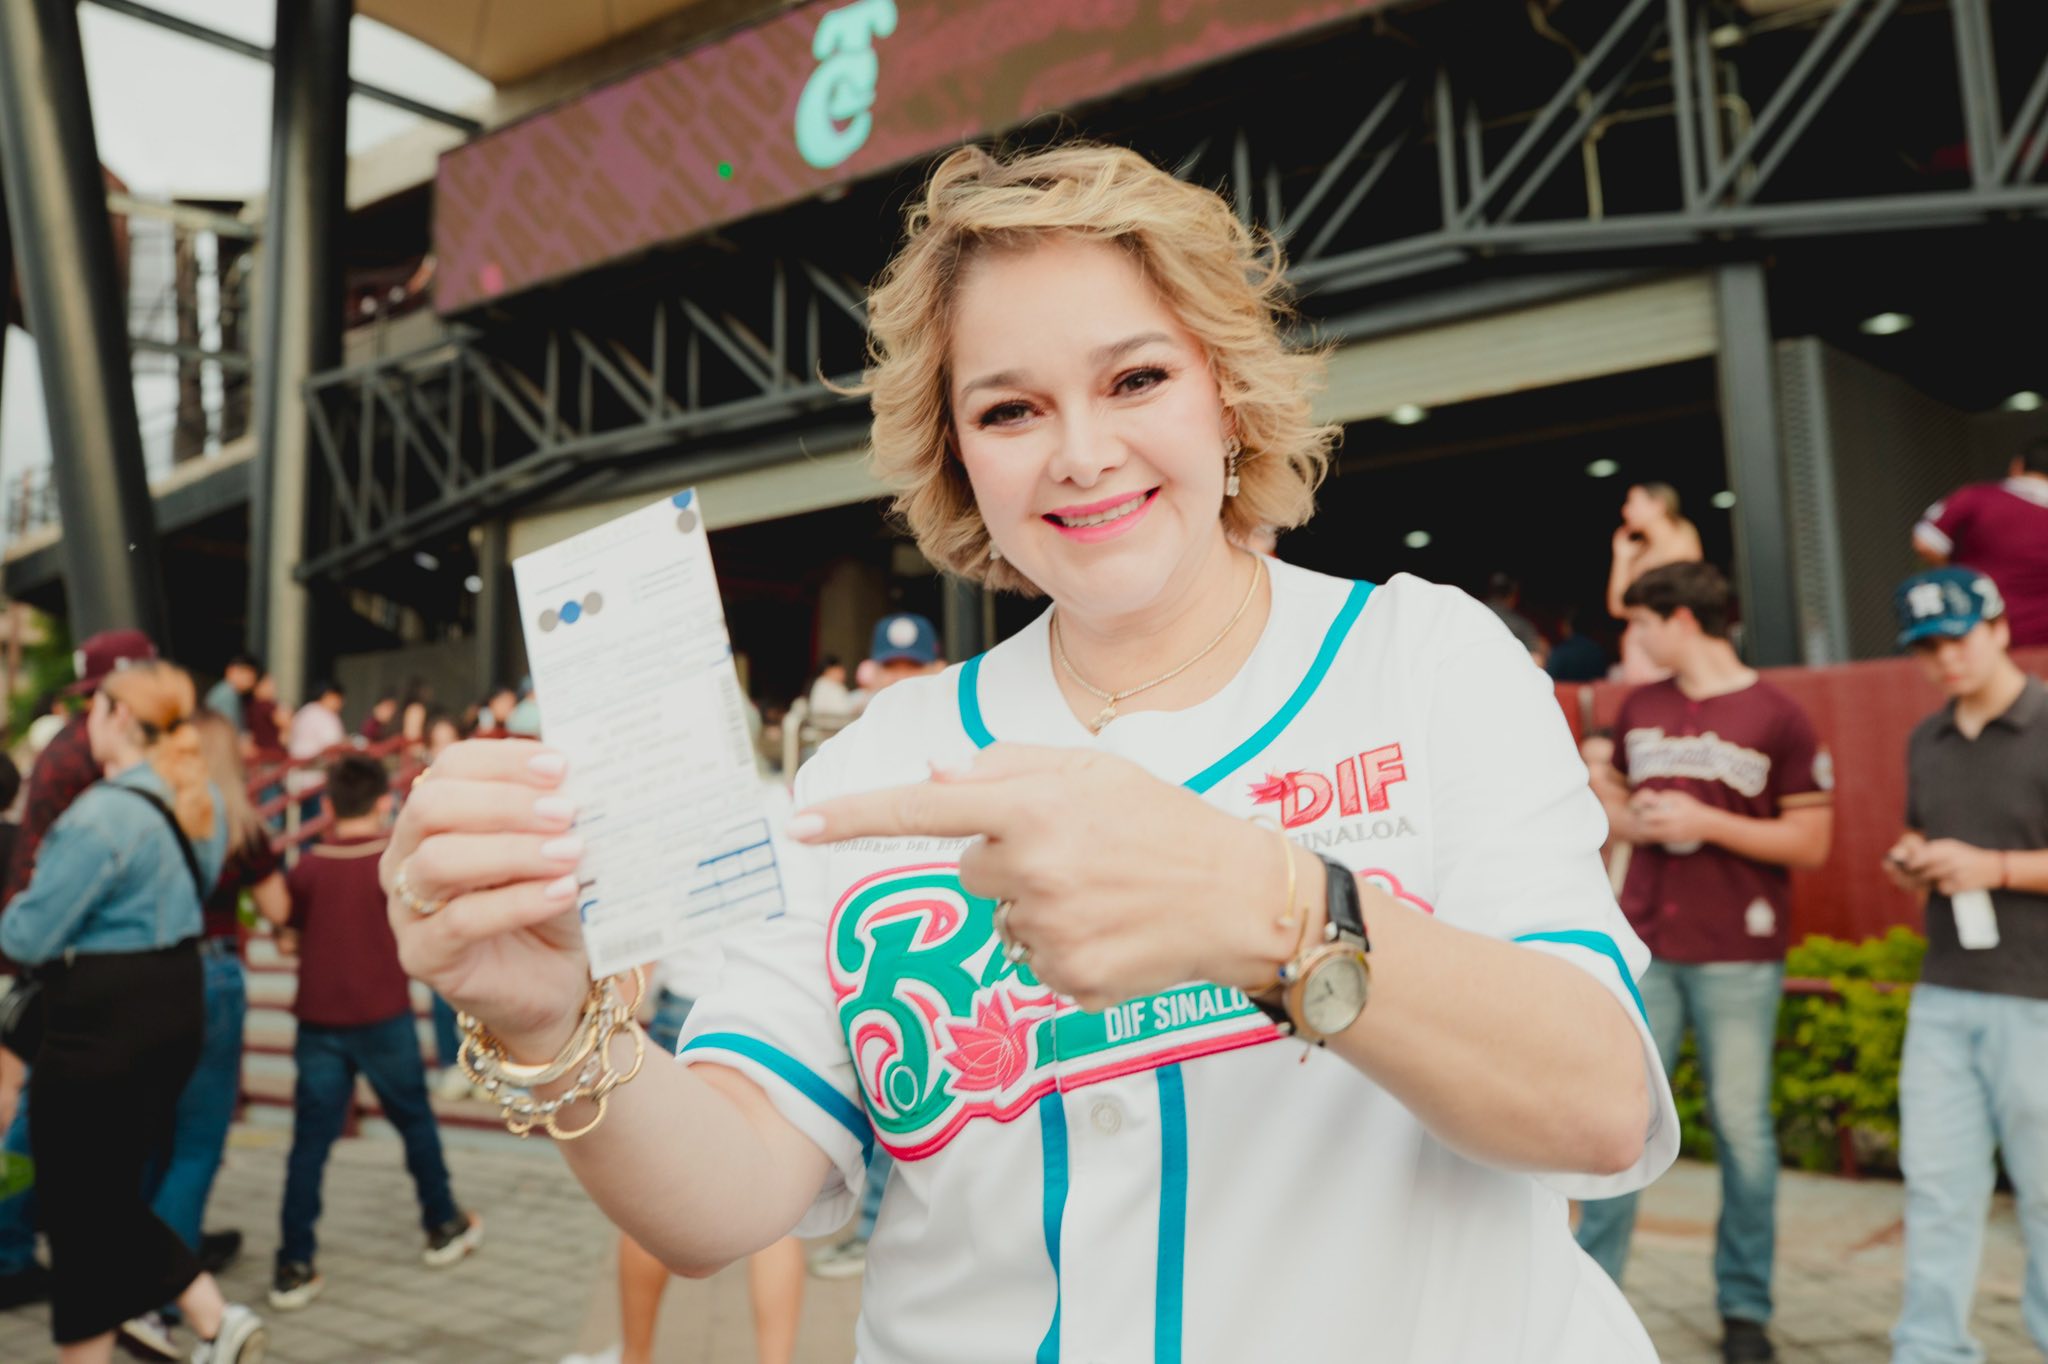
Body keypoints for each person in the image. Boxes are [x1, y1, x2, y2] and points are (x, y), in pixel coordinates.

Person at [383, 143, 1676, 1363]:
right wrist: (553, 1024)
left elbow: (1598, 1104)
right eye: (1009, 409)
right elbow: (725, 1199)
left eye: (1137, 379)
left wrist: (1262, 905)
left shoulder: (1421, 658)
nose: (1082, 453)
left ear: (1226, 390)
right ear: (958, 459)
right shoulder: (874, 769)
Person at [1575, 561, 1835, 1363]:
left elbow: (1812, 841)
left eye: (1643, 622)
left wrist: (1706, 822)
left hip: (1737, 950)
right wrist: (1628, 811)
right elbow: (1616, 810)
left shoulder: (1778, 713)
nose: (1636, 637)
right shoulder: (1641, 707)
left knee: (1743, 1132)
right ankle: (1590, 1304)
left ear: (1682, 621)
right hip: (1645, 943)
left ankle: (1745, 1309)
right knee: (1619, 1124)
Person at [0, 660, 265, 1362]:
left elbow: (26, 937)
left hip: (100, 1017)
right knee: (98, 1194)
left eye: (94, 706)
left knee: (77, 1196)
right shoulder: (197, 800)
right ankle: (202, 1321)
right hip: (174, 1001)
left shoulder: (101, 815)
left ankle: (211, 1316)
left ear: (118, 716)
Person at [1881, 567, 2048, 1364]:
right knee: (1937, 1189)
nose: (1945, 658)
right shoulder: (1928, 739)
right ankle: (1929, 1350)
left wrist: (1995, 867)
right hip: (1945, 991)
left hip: (2039, 996)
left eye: (1959, 638)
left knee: (2045, 1195)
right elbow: (1928, 832)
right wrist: (1914, 860)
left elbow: (1991, 858)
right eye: (1927, 647)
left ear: (2000, 628)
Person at [271, 754, 481, 1311]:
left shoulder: (307, 868)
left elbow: (288, 938)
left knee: (309, 1144)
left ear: (328, 804)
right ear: (384, 801)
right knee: (415, 1123)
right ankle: (442, 1224)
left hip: (319, 1020)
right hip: (383, 1014)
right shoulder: (394, 866)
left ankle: (293, 1264)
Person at [0, 628, 159, 1309]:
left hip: (59, 951)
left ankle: (23, 1242)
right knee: (45, 1111)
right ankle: (19, 1248)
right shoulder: (85, 757)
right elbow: (85, 867)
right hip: (65, 956)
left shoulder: (75, 747)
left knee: (45, 1108)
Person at [1913, 437, 2048, 648]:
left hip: (1981, 632)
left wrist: (1957, 577)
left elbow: (1925, 542)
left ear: (2017, 465)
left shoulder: (1977, 497)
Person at [1607, 482, 1704, 684]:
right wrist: (1621, 557)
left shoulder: (1683, 539)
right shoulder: (1639, 552)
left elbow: (1674, 602)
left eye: (1632, 502)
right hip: (1641, 645)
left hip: (1668, 642)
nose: (1625, 510)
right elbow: (1617, 607)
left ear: (1658, 505)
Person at [1483, 571, 1548, 666]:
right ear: (1513, 594)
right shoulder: (1521, 625)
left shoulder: (1472, 615)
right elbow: (1537, 660)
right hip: (1507, 672)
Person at [202, 654, 262, 733]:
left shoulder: (228, 691)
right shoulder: (227, 694)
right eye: (248, 676)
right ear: (231, 670)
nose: (251, 682)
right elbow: (232, 729)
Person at [805, 656, 854, 722]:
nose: (843, 673)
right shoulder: (826, 685)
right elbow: (842, 711)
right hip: (828, 725)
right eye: (840, 670)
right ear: (829, 670)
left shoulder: (830, 684)